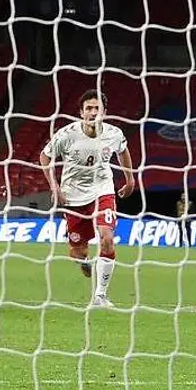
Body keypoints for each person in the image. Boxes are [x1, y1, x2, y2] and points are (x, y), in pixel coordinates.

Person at [39, 90, 135, 306]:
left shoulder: (114, 133)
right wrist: (54, 186)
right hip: (73, 196)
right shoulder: (66, 135)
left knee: (106, 238)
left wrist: (130, 180)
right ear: (81, 113)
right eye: (88, 108)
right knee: (78, 250)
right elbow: (44, 157)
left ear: (104, 112)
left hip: (103, 189)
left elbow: (123, 151)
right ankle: (84, 261)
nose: (93, 112)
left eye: (97, 108)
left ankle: (100, 296)